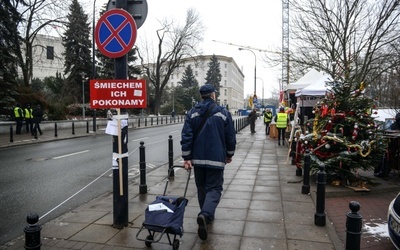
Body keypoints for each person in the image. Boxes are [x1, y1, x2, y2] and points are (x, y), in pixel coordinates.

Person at [181, 84, 236, 241]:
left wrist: (187, 158)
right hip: (216, 159)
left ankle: (205, 214)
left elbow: (186, 136)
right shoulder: (223, 113)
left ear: (201, 96)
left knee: (201, 188)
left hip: (197, 159)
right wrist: (229, 154)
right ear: (213, 95)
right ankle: (205, 214)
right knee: (214, 188)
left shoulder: (192, 113)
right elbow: (230, 136)